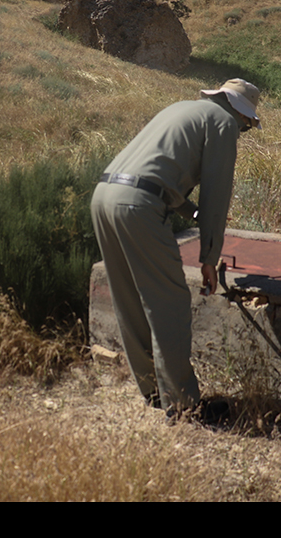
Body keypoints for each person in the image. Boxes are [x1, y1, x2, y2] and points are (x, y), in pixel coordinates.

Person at [90, 79, 261, 422]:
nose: (243, 131)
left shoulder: (183, 109)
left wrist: (191, 213)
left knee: (129, 299)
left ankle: (154, 390)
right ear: (242, 116)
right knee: (169, 303)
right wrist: (210, 258)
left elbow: (159, 176)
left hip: (105, 197)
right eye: (247, 126)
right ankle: (184, 405)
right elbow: (217, 196)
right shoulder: (224, 124)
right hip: (139, 207)